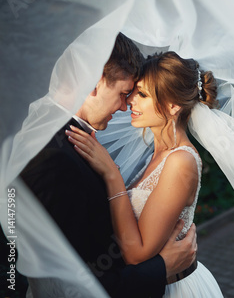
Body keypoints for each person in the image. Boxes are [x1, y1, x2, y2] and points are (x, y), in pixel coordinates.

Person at [20, 35, 197, 298]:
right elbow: (73, 282)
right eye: (124, 94)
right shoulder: (53, 158)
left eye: (137, 95)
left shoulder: (70, 141)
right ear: (93, 83)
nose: (127, 106)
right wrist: (161, 268)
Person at [67, 51, 223, 297]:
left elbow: (137, 253)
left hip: (174, 288)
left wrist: (111, 174)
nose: (130, 101)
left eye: (142, 94)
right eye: (132, 93)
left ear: (173, 106)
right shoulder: (154, 153)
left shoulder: (181, 161)